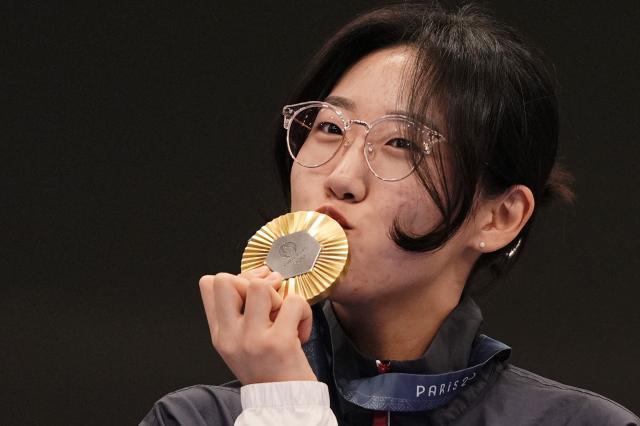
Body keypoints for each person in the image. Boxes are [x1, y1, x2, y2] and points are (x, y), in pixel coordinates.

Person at [141, 3, 639, 425]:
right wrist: (277, 398)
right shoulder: (195, 419)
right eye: (330, 128)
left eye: (400, 142)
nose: (341, 177)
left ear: (499, 217)